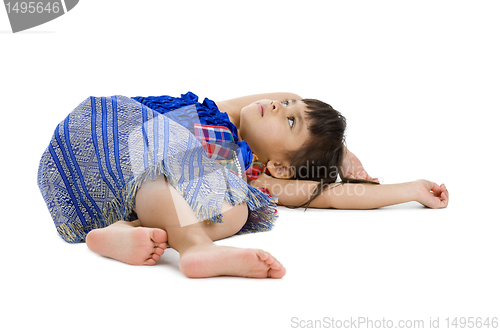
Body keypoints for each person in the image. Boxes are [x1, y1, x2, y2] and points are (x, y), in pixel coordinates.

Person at [37, 92, 449, 279]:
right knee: (178, 165)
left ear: (281, 169)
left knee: (236, 209)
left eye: (289, 121)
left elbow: (334, 195)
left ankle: (119, 233)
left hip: (93, 196)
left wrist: (409, 189)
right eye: (289, 108)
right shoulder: (220, 117)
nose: (279, 105)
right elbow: (290, 92)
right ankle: (196, 249)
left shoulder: (256, 178)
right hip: (106, 130)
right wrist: (342, 153)